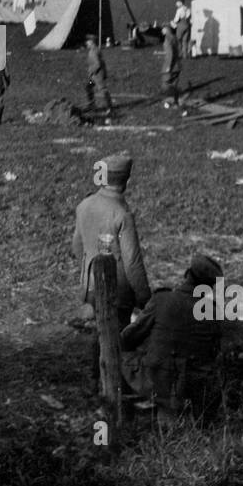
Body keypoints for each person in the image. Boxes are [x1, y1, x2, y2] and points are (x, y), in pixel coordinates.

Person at [72, 153, 152, 388]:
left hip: (91, 283)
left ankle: (95, 377)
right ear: (125, 181)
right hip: (118, 290)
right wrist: (145, 297)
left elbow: (76, 245)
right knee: (117, 335)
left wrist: (89, 270)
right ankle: (112, 384)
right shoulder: (121, 213)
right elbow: (133, 262)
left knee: (100, 329)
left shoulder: (84, 205)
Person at [122, 255, 224, 417]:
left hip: (158, 381)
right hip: (194, 385)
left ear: (187, 274)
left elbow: (128, 338)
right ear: (209, 286)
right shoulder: (212, 311)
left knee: (122, 353)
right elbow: (214, 351)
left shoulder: (162, 299)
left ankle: (121, 407)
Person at [84, 34, 114, 118]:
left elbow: (97, 64)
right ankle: (91, 105)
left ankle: (109, 108)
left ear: (92, 42)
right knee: (88, 87)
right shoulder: (94, 50)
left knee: (103, 90)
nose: (86, 43)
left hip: (97, 75)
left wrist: (91, 71)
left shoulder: (93, 51)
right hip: (93, 77)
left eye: (88, 41)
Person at [161, 25, 183, 107]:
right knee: (174, 83)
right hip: (177, 64)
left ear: (166, 30)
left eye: (163, 29)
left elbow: (170, 53)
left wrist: (168, 67)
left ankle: (168, 100)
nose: (161, 31)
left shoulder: (167, 39)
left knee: (165, 83)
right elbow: (177, 51)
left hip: (170, 65)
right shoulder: (174, 37)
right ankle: (176, 102)